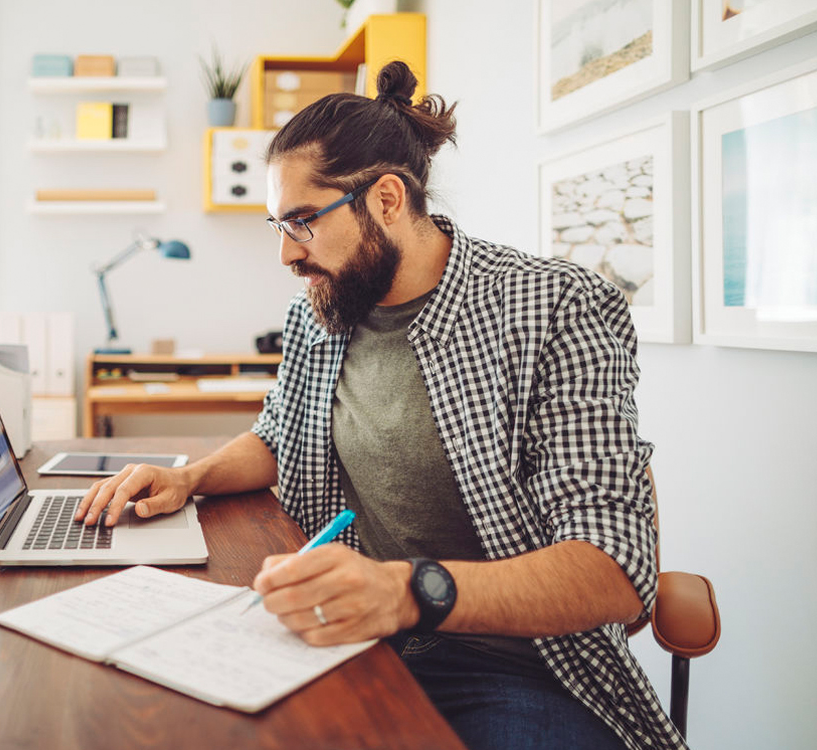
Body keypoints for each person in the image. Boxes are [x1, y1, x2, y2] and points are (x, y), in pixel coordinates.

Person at [74, 60, 683, 750]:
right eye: (277, 223)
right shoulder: (326, 309)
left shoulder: (555, 307)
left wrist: (405, 593)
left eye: (302, 221)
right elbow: (280, 436)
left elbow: (614, 566)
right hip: (353, 642)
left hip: (518, 668)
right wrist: (191, 477)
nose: (283, 253)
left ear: (387, 200)